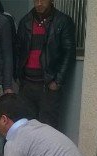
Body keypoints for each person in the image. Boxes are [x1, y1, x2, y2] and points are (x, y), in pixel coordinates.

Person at [16, 0, 75, 130]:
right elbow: (18, 50)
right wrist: (19, 78)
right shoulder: (25, 21)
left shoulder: (62, 21)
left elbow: (69, 53)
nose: (39, 3)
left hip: (48, 85)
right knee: (26, 127)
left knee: (48, 128)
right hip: (27, 84)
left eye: (43, 0)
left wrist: (58, 81)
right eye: (36, 0)